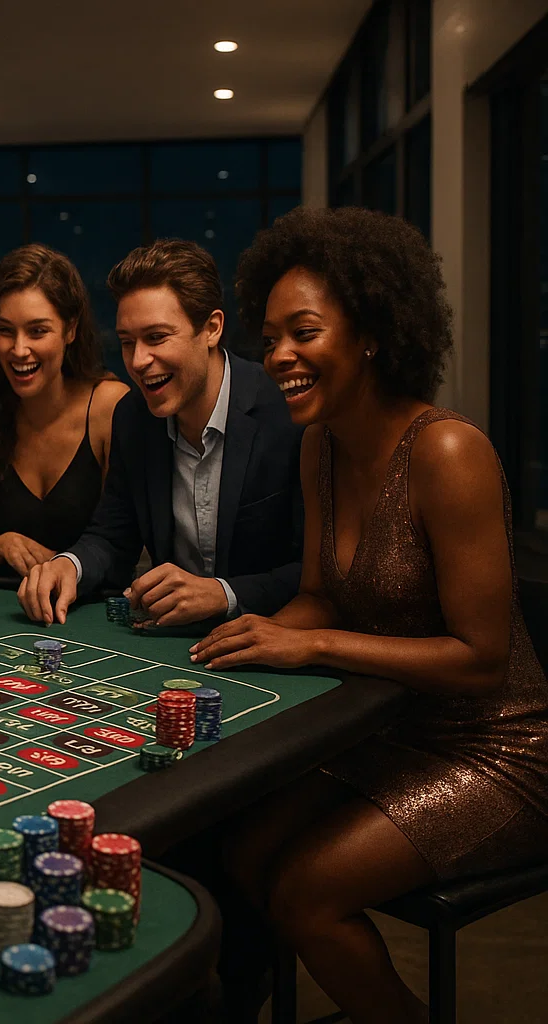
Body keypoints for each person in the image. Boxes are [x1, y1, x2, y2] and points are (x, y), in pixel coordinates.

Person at [193, 207, 548, 1024]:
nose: (279, 354)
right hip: (388, 730)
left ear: (374, 334)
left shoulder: (447, 451)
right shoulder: (320, 445)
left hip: (501, 748)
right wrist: (256, 636)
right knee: (243, 850)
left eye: (304, 331)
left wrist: (310, 640)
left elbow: (480, 658)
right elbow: (317, 592)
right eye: (272, 333)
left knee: (308, 894)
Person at [21, 239, 303, 629]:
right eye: (126, 342)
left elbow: (316, 571)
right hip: (170, 647)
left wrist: (224, 593)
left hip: (270, 646)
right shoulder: (133, 416)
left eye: (156, 338)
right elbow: (113, 536)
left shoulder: (285, 412)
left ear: (211, 329)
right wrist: (70, 565)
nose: (138, 362)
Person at [0, 244, 129, 576]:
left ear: (70, 330)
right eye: (5, 331)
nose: (19, 350)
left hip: (90, 605)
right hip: (4, 611)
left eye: (37, 331)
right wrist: (2, 544)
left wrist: (66, 567)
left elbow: (120, 546)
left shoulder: (109, 406)